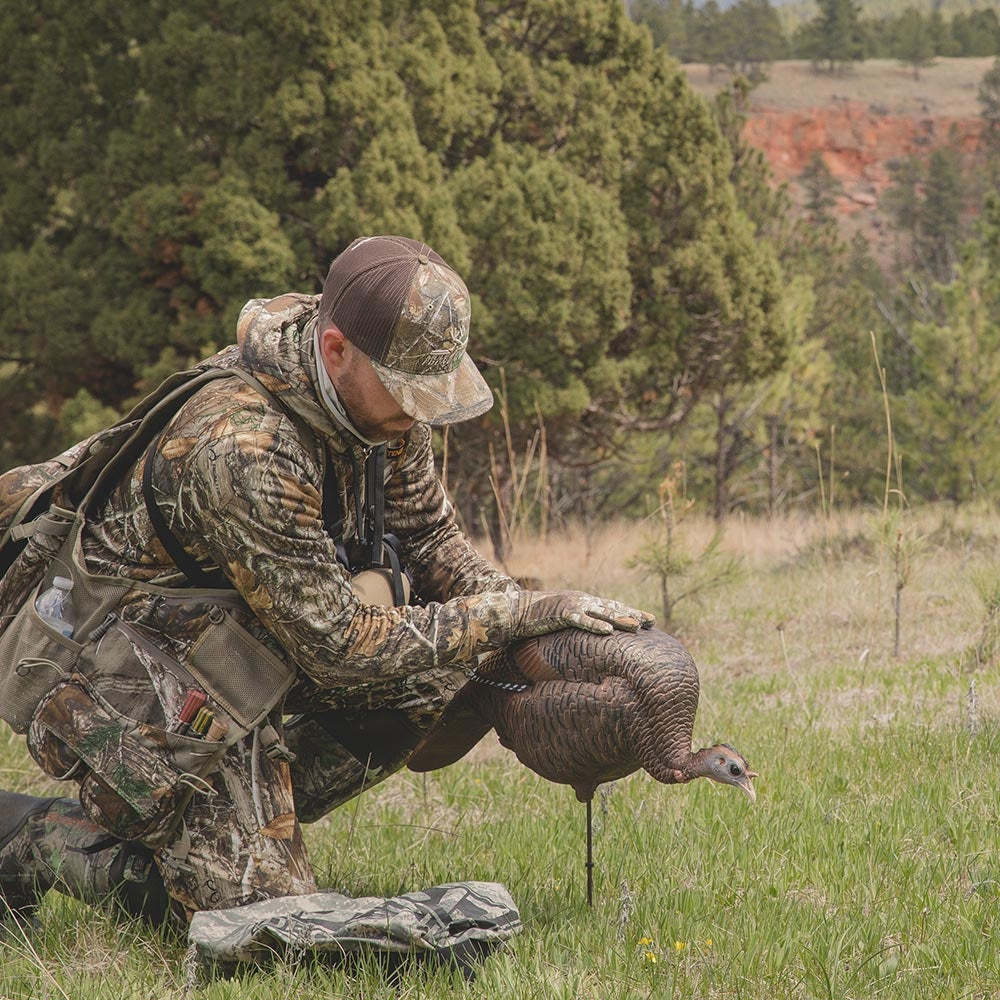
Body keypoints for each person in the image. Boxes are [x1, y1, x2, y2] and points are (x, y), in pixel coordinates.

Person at [0, 235, 653, 928]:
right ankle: (32, 837)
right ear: (337, 349)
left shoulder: (378, 399)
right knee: (254, 923)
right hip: (112, 679)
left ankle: (231, 819)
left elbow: (430, 538)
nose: (421, 412)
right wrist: (514, 616)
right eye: (409, 392)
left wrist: (531, 630)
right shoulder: (242, 446)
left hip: (225, 653)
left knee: (445, 669)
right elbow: (339, 644)